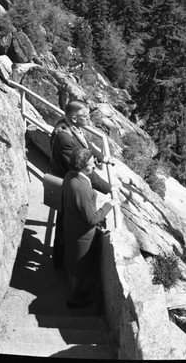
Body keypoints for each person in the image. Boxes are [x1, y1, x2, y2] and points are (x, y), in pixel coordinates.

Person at [48, 99, 118, 270]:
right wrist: (109, 189)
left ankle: (64, 261)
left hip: (69, 180)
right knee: (64, 225)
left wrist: (103, 158)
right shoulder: (64, 138)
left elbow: (84, 147)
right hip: (68, 184)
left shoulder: (69, 127)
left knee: (66, 222)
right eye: (85, 117)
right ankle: (60, 264)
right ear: (73, 118)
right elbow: (84, 167)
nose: (88, 120)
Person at [62, 148, 126, 308]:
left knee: (73, 262)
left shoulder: (70, 175)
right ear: (83, 167)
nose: (95, 165)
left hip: (70, 225)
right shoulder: (82, 189)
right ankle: (73, 298)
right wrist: (109, 204)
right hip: (82, 234)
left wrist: (108, 188)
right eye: (91, 163)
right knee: (79, 268)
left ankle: (72, 291)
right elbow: (92, 218)